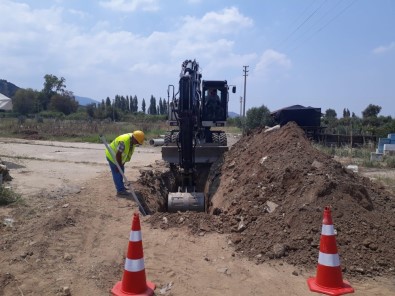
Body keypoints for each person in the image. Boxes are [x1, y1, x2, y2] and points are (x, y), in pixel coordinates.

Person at [105, 130, 145, 196]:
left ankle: (121, 187)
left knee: (121, 171)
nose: (137, 143)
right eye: (137, 142)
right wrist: (118, 165)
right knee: (117, 173)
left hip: (119, 158)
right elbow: (118, 155)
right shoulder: (123, 142)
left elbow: (125, 153)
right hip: (112, 157)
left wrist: (122, 163)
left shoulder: (132, 139)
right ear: (134, 138)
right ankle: (120, 190)